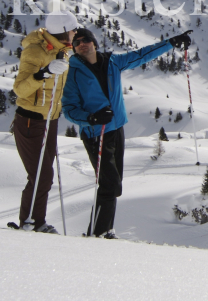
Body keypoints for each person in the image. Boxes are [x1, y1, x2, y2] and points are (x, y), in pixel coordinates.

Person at [62, 27, 193, 238]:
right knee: (109, 184)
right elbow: (68, 109)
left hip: (116, 129)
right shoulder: (73, 72)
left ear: (94, 42)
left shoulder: (113, 62)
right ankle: (99, 232)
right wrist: (91, 118)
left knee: (114, 183)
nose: (82, 44)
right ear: (74, 49)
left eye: (86, 39)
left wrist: (172, 42)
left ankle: (103, 230)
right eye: (77, 43)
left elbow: (142, 54)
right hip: (96, 133)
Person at [11, 10, 79, 233]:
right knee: (41, 175)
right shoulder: (35, 51)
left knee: (44, 174)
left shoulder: (62, 51)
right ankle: (31, 222)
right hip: (31, 121)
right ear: (62, 33)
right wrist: (44, 73)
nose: (75, 32)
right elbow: (20, 89)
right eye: (72, 29)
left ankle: (35, 221)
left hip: (50, 119)